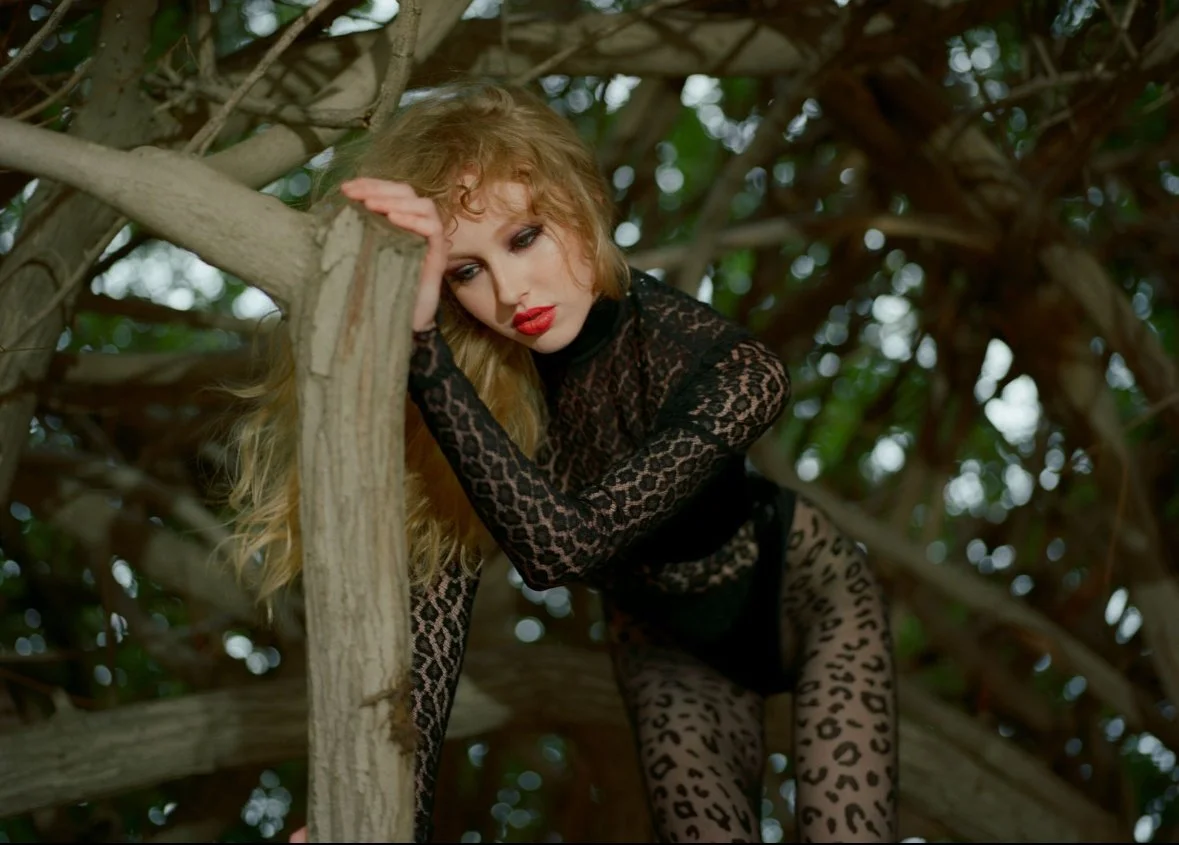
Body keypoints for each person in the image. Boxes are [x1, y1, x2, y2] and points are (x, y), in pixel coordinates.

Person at [230, 79, 898, 844]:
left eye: (523, 236)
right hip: (664, 647)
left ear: (581, 203)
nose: (510, 292)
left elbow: (562, 546)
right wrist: (386, 821)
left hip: (805, 595)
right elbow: (436, 618)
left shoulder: (733, 371)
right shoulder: (482, 404)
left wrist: (422, 354)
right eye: (464, 271)